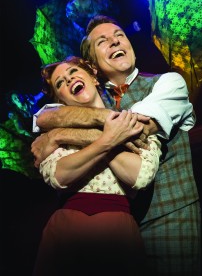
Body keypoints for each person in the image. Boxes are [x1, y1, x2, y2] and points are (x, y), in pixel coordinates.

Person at [32, 15, 201, 275]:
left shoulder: (167, 82)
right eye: (103, 41)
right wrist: (56, 127)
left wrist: (58, 135)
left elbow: (136, 129)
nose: (114, 41)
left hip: (169, 217)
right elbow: (43, 117)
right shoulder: (91, 98)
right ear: (93, 66)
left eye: (119, 35)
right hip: (123, 224)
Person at [32, 56, 162, 276]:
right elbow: (58, 175)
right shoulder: (50, 134)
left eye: (73, 72)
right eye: (60, 83)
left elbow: (140, 176)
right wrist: (110, 139)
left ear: (93, 77)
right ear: (58, 99)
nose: (69, 80)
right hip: (66, 231)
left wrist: (88, 138)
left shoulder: (135, 121)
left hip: (117, 232)